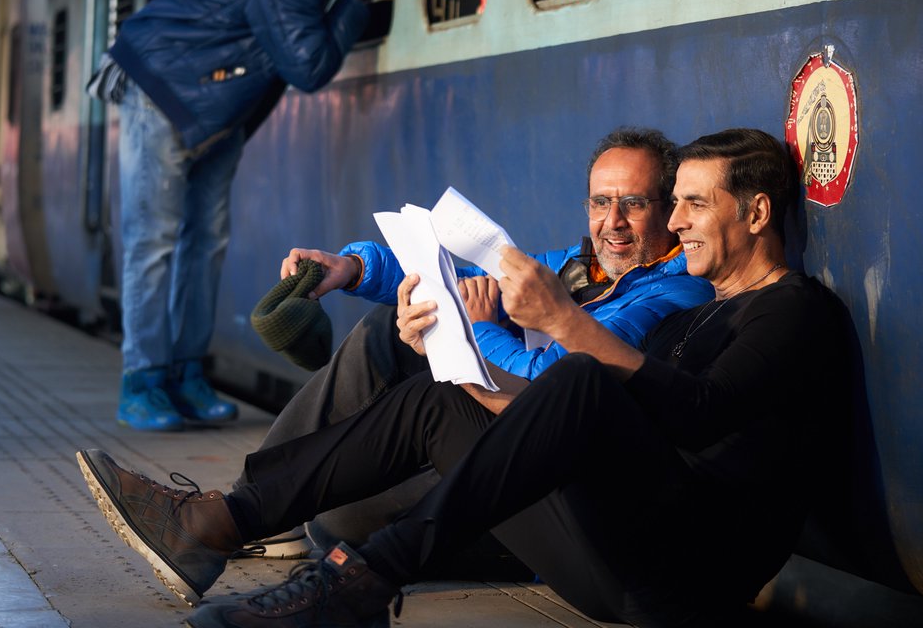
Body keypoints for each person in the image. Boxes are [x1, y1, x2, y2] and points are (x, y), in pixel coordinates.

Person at [77, 128, 855, 627]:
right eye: (674, 204)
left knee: (581, 379)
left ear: (756, 215)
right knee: (434, 400)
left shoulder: (790, 312)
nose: (676, 223)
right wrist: (359, 274)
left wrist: (554, 326)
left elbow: (693, 415)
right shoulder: (690, 300)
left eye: (688, 204)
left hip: (686, 575)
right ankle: (221, 522)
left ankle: (364, 579)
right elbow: (610, 412)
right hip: (618, 555)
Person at [236, 127, 714, 556]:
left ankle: (258, 508)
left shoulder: (674, 294)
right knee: (394, 327)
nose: (612, 221)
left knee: (337, 521)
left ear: (668, 209)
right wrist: (354, 269)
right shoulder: (578, 265)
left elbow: (555, 388)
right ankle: (251, 505)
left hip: (550, 489)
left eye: (633, 203)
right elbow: (467, 278)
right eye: (599, 202)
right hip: (495, 445)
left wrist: (479, 327)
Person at [92, 0, 382, 431]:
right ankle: (142, 382)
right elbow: (308, 67)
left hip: (217, 105)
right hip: (165, 93)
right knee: (155, 245)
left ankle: (186, 374)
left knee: (206, 243)